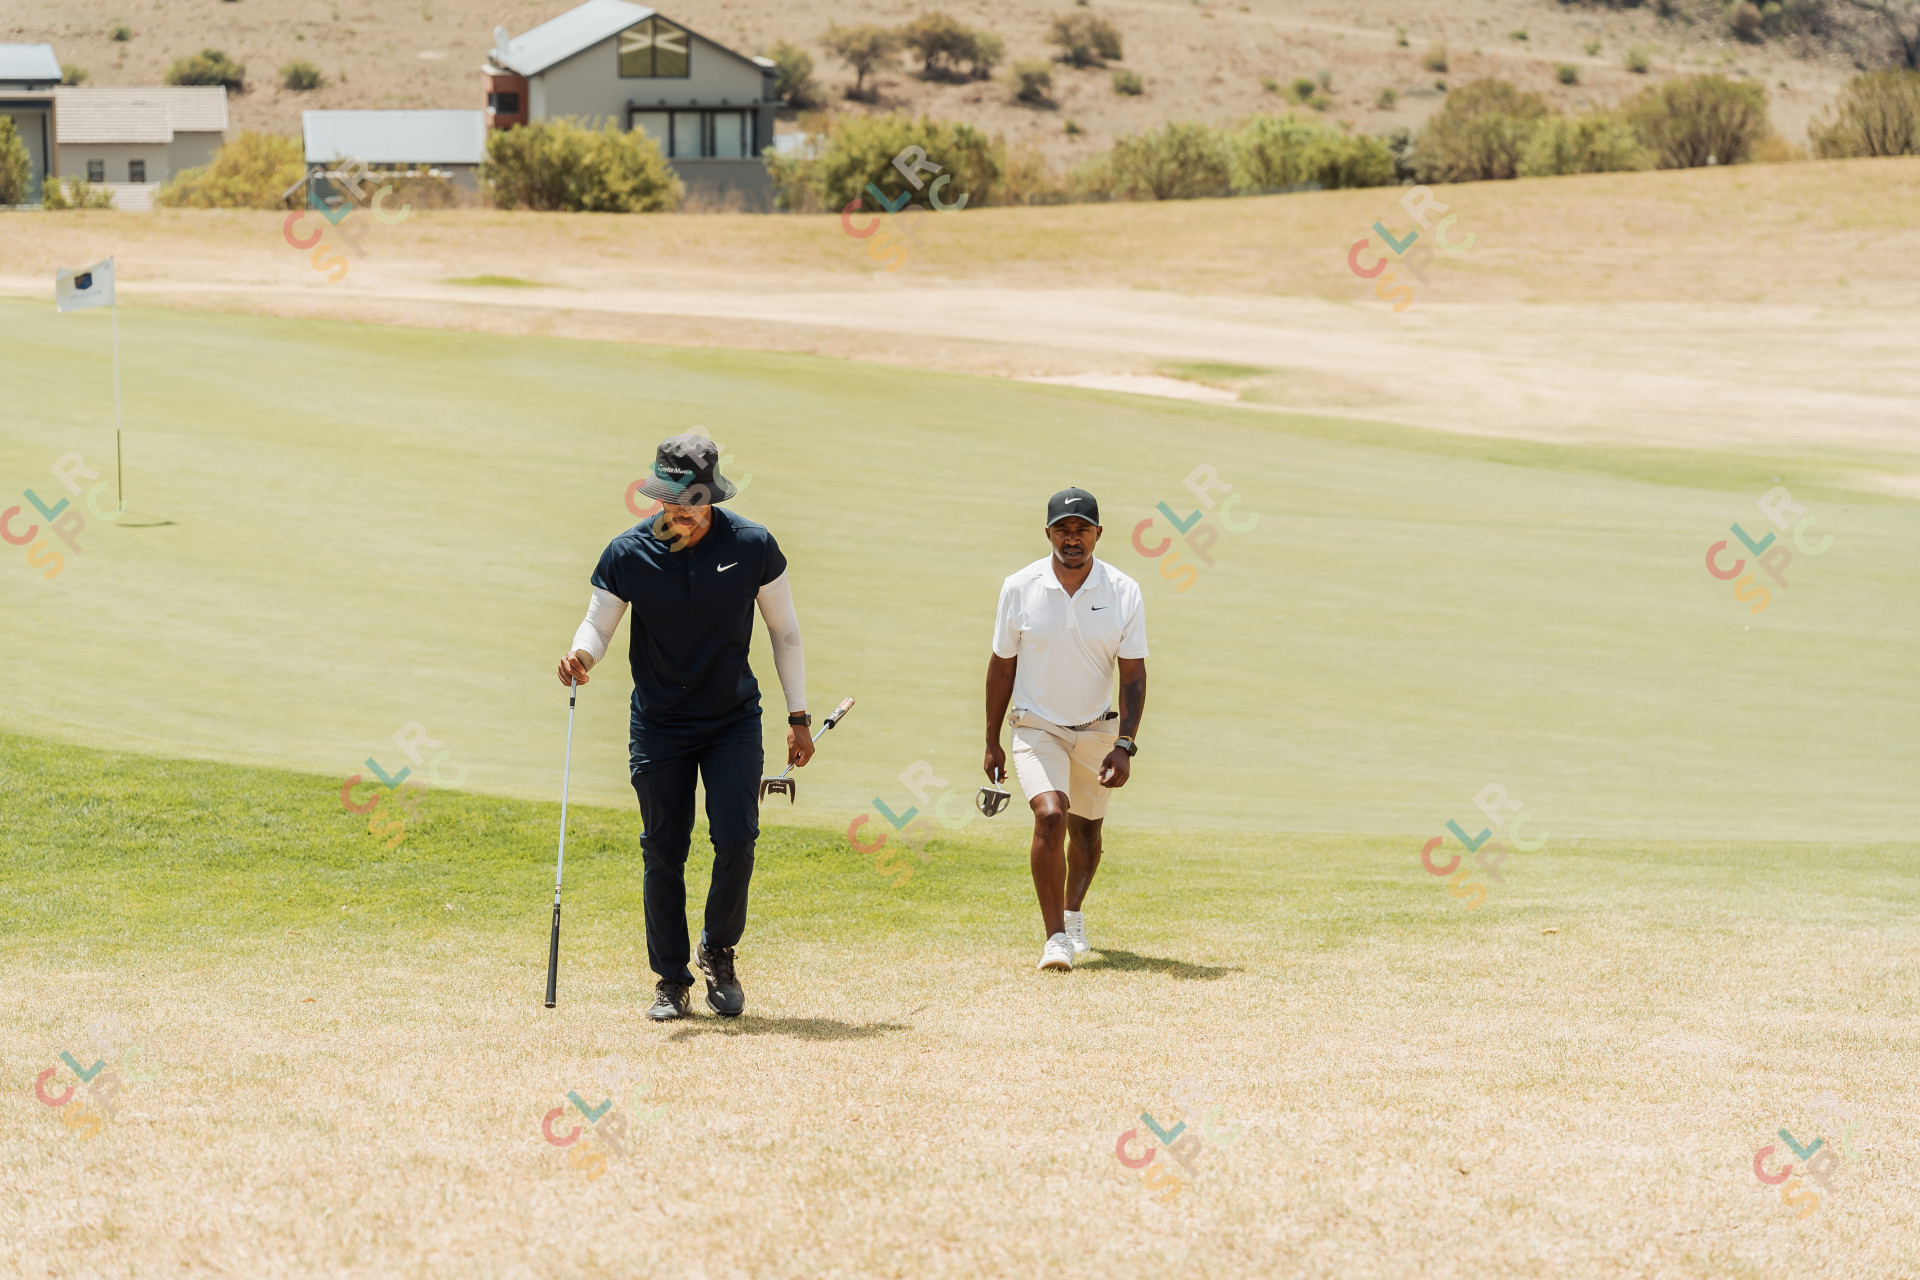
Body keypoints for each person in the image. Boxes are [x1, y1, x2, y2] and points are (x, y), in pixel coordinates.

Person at [556, 433, 812, 1020]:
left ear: (712, 497)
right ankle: (670, 979)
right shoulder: (628, 553)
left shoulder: (752, 545)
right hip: (660, 724)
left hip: (732, 722)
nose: (679, 510)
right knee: (663, 850)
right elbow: (598, 624)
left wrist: (797, 717)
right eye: (669, 497)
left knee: (737, 838)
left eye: (691, 498)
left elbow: (785, 632)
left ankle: (718, 952)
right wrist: (580, 657)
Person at [983, 487, 1148, 973]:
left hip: (1099, 731)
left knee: (1087, 833)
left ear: (1098, 534)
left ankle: (1073, 914)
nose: (1072, 538)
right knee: (1051, 815)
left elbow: (1134, 675)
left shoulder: (1123, 591)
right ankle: (1055, 937)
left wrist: (1125, 744)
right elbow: (1001, 667)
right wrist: (991, 739)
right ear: (1048, 532)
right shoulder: (1020, 586)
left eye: (1082, 529)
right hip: (1037, 726)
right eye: (1063, 529)